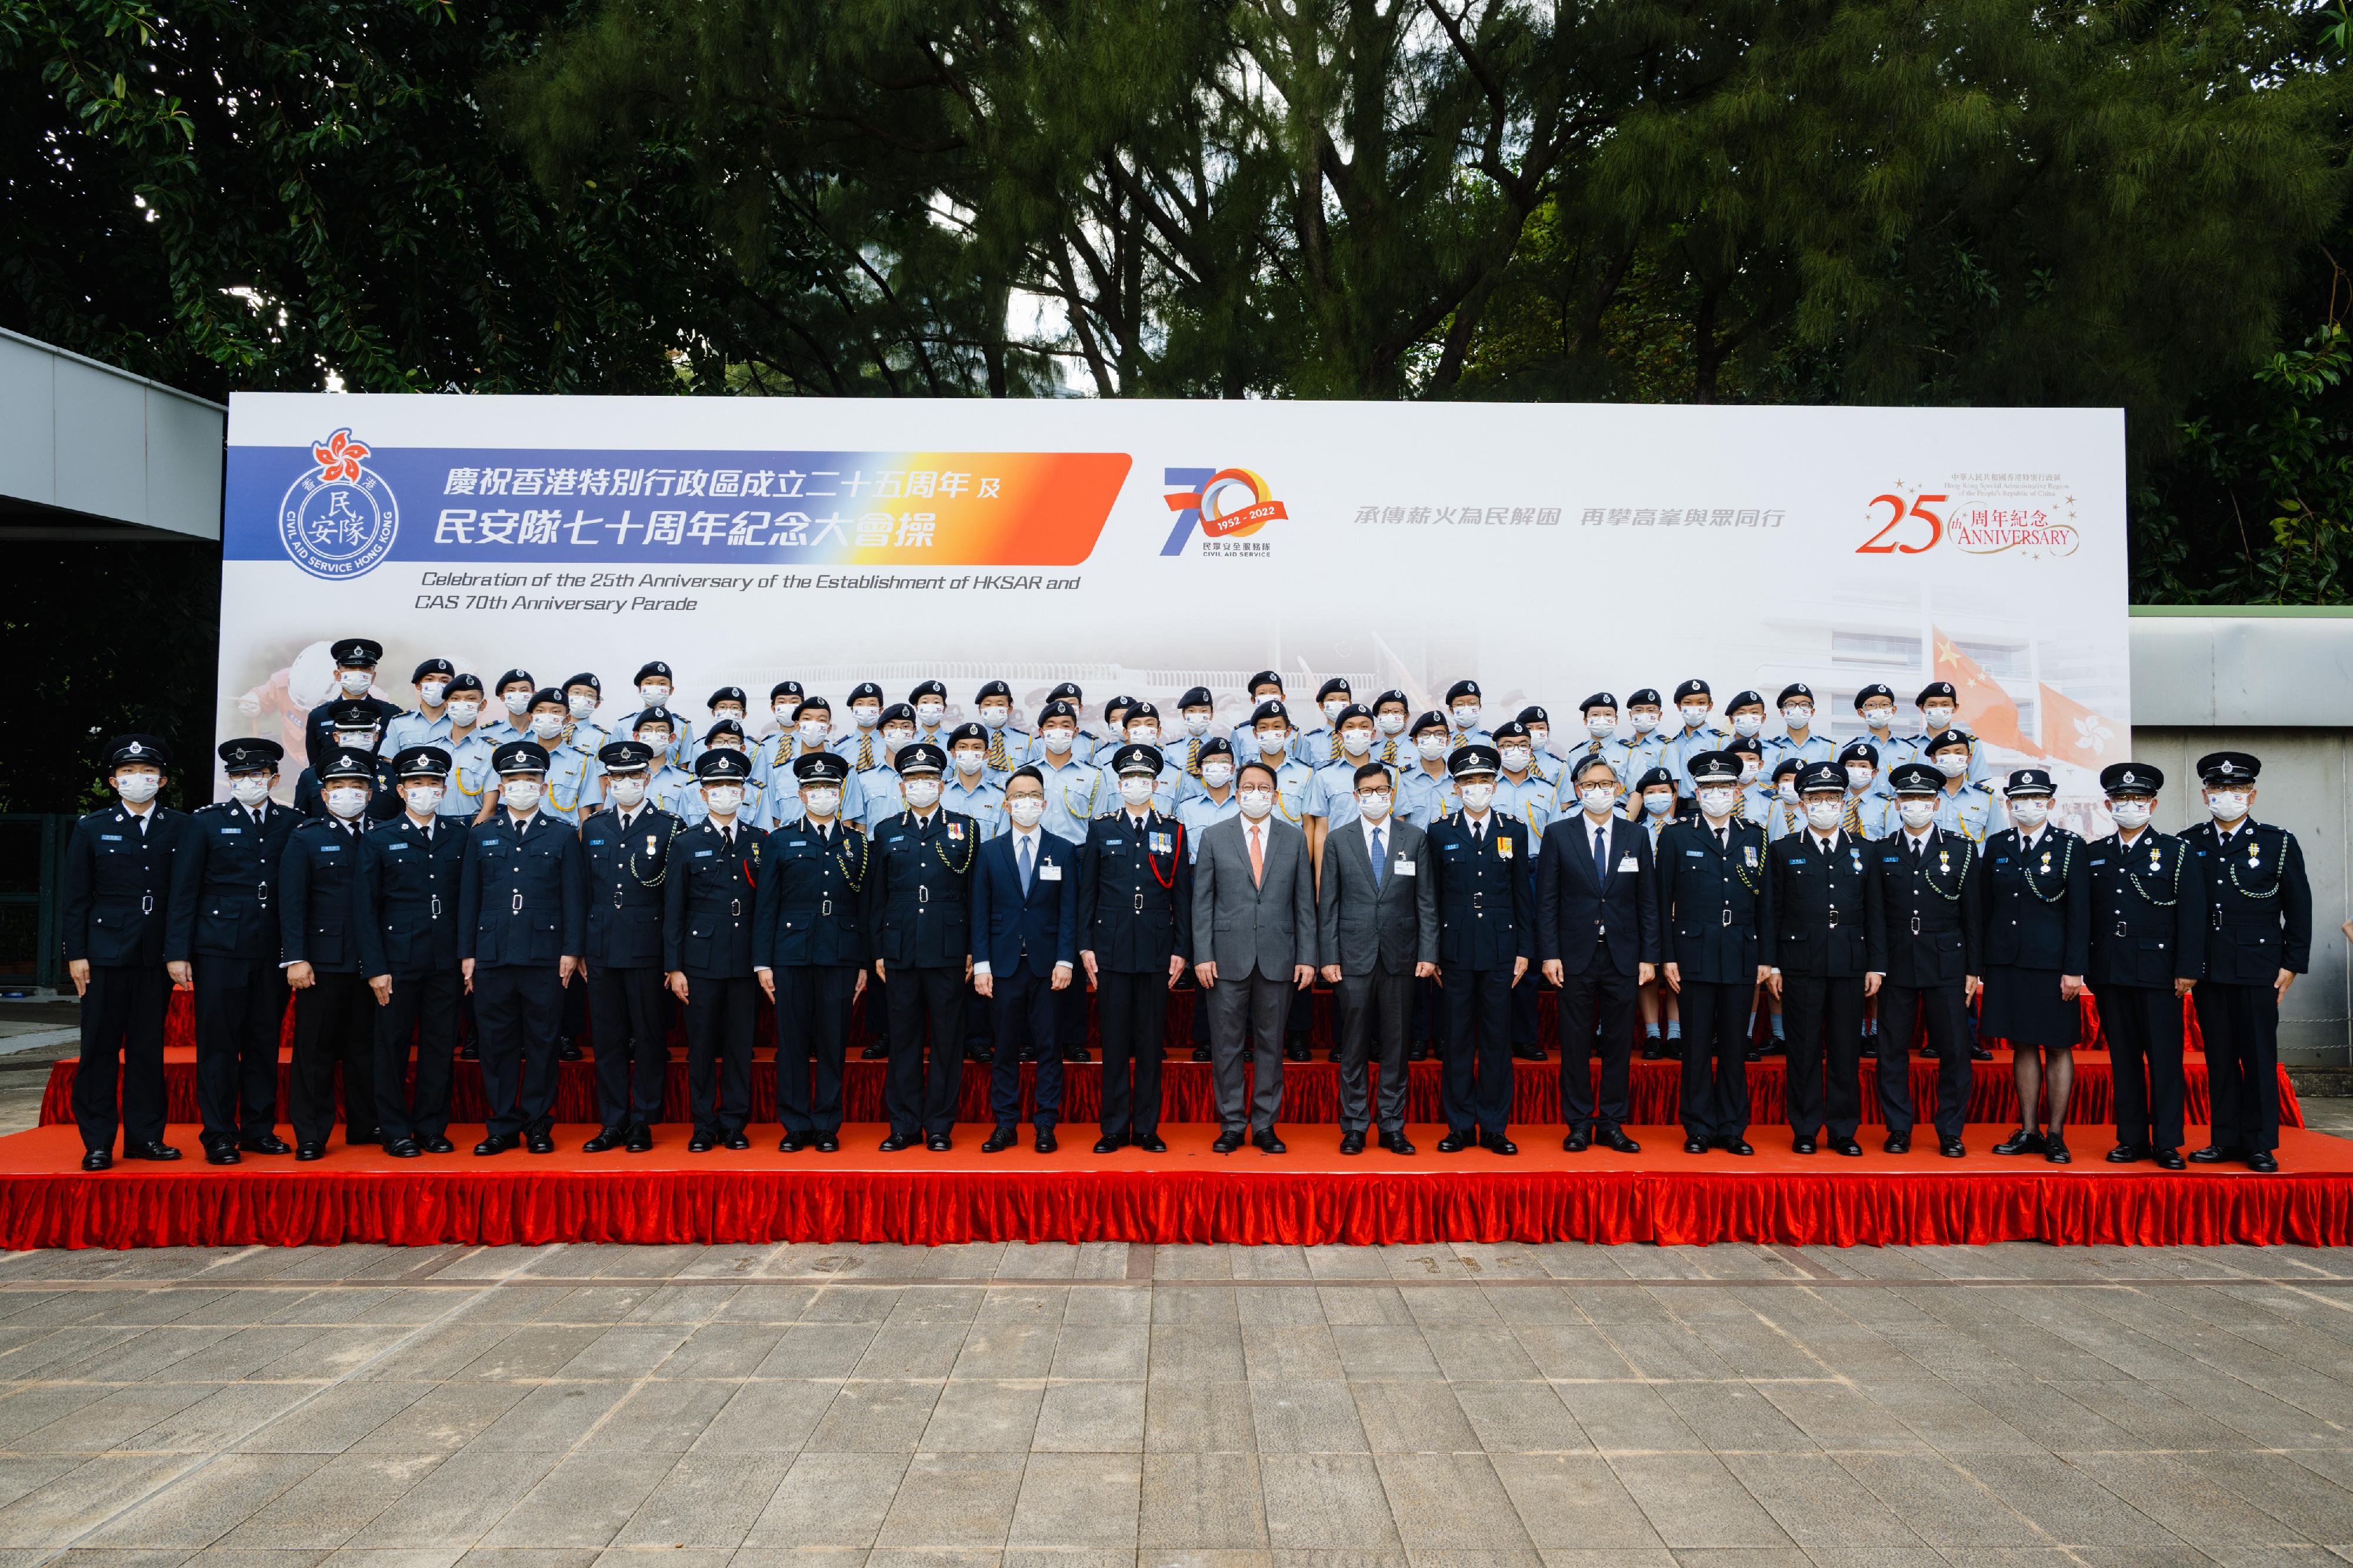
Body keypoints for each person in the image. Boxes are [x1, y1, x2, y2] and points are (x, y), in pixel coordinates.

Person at [165, 737, 299, 1165]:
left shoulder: (293, 822)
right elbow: (184, 891)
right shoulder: (204, 823)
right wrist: (177, 952)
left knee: (263, 1042)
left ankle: (259, 1128)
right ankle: (219, 1133)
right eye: (239, 776)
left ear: (274, 778)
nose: (248, 782)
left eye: (256, 775)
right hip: (218, 947)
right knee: (218, 1044)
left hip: (270, 947)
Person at [2183, 750, 2310, 1172]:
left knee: (2257, 1054)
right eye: (2219, 789)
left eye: (2237, 789)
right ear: (2205, 794)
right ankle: (2223, 1139)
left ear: (2252, 796)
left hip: (2259, 966)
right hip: (2210, 967)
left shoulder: (2277, 842)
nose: (2227, 796)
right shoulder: (2189, 843)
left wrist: (2292, 962)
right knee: (2218, 1056)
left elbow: (2299, 907)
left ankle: (2258, 1143)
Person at [64, 735, 186, 1170]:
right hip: (104, 952)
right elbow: (76, 896)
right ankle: (97, 1140)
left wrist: (178, 951)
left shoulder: (180, 826)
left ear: (163, 780)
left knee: (147, 1049)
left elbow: (185, 894)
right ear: (114, 781)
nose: (140, 780)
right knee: (99, 1047)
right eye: (130, 774)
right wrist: (76, 953)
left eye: (148, 773)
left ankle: (145, 1137)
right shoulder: (92, 826)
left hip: (154, 955)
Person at [458, 740, 585, 1156]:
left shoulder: (563, 835)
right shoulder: (481, 836)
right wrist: (467, 954)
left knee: (543, 1042)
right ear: (501, 784)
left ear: (544, 785)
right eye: (513, 780)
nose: (521, 786)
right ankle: (500, 1125)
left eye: (530, 779)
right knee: (495, 1044)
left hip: (545, 956)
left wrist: (572, 949)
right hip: (492, 954)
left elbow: (573, 897)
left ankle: (538, 1124)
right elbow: (468, 899)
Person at [1191, 758, 1317, 1154]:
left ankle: (1264, 1124)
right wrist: (1202, 955)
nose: (1257, 794)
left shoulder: (1294, 838)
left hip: (1279, 956)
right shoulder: (1214, 836)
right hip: (1226, 958)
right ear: (1237, 791)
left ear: (1276, 795)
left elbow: (1304, 903)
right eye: (1249, 787)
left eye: (1265, 788)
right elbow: (1202, 903)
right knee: (1226, 1045)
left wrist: (1308, 956)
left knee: (1270, 1044)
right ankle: (1231, 1123)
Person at [1537, 753, 1658, 1154]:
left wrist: (1648, 956)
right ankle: (1577, 1123)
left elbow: (1648, 901)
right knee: (1574, 1041)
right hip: (1573, 956)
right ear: (1577, 791)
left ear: (1618, 790)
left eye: (1606, 785)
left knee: (1620, 1042)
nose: (1599, 792)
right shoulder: (1558, 834)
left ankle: (1611, 1122)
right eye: (1590, 786)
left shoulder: (1635, 836)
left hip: (1623, 955)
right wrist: (1549, 953)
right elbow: (1547, 900)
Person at [2086, 763, 2204, 1171]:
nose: (2130, 805)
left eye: (2138, 799)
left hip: (2159, 973)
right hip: (2111, 971)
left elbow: (2192, 915)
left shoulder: (2175, 852)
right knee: (2124, 1059)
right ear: (2108, 805)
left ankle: (2168, 1142)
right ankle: (2131, 1139)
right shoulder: (2095, 854)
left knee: (2165, 1060)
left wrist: (2188, 968)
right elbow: (2087, 917)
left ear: (2153, 804)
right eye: (2122, 799)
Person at [355, 745, 468, 1158]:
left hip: (445, 960)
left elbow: (467, 900)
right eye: (417, 784)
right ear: (401, 790)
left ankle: (431, 1127)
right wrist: (375, 967)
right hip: (396, 961)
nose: (427, 790)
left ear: (443, 789)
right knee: (392, 1047)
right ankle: (395, 1129)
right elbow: (365, 908)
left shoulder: (460, 835)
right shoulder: (380, 838)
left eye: (434, 784)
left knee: (440, 1047)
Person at [1079, 746, 1194, 1152]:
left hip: (1156, 951)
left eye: (1145, 779)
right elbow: (1087, 893)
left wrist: (1182, 947)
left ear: (1156, 785)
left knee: (1149, 1045)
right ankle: (1113, 1128)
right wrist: (1084, 946)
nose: (1137, 785)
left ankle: (1146, 1128)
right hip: (1110, 949)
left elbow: (1183, 896)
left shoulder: (1173, 831)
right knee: (1113, 1043)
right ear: (1119, 784)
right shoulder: (1101, 829)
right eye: (1130, 779)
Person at [1657, 750, 1771, 1156]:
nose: (1717, 794)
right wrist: (1667, 957)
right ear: (1696, 791)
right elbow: (1661, 901)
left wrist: (1765, 958)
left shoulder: (1755, 835)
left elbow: (1766, 903)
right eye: (1709, 788)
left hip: (1741, 954)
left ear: (1738, 791)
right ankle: (1699, 1126)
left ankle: (1732, 1127)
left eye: (1724, 787)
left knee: (1735, 1048)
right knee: (1697, 1045)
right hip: (1693, 955)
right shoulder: (1676, 836)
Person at [1316, 763, 1435, 1154]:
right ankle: (1353, 1125)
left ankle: (1392, 1124)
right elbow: (1328, 903)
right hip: (1352, 958)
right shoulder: (1337, 839)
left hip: (1401, 956)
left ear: (1391, 794)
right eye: (1366, 791)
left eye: (1381, 790)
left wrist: (1429, 952)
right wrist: (1328, 956)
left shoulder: (1415, 838)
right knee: (1352, 1045)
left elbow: (1426, 902)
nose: (1374, 797)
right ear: (1355, 797)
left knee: (1397, 1046)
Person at [754, 752, 870, 1153]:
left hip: (840, 954)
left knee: (833, 1042)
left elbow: (864, 908)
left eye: (831, 789)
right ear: (802, 794)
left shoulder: (858, 844)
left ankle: (826, 1123)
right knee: (792, 1043)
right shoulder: (781, 841)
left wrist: (862, 963)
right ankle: (795, 1123)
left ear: (840, 794)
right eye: (815, 788)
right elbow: (767, 905)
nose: (824, 794)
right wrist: (762, 962)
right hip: (790, 954)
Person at [1759, 762, 1876, 1156]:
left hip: (1849, 960)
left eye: (1831, 798)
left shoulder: (1864, 849)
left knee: (1846, 1048)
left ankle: (1843, 1130)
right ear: (1802, 805)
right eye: (1815, 799)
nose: (1824, 805)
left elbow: (1875, 912)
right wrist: (1773, 964)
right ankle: (1805, 1127)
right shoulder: (1783, 850)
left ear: (1844, 802)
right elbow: (1772, 912)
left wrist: (1875, 964)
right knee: (1803, 1048)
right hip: (1799, 961)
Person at [1865, 762, 1981, 1157]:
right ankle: (1899, 1128)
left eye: (1923, 799)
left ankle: (1950, 1130)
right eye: (1907, 798)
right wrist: (1876, 964)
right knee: (1891, 1049)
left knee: (1954, 1049)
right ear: (1897, 803)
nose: (1915, 805)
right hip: (1897, 963)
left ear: (1936, 803)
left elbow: (1973, 915)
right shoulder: (1881, 851)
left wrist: (1973, 969)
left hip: (1947, 962)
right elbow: (1875, 915)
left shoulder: (1962, 850)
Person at [866, 742, 978, 1151]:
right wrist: (877, 950)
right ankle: (904, 1125)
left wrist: (973, 950)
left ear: (942, 784)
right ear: (901, 787)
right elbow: (878, 897)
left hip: (950, 950)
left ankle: (940, 1126)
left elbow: (974, 895)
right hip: (900, 950)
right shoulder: (887, 830)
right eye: (913, 780)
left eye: (929, 779)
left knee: (948, 1042)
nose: (921, 786)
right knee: (904, 1040)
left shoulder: (965, 828)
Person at [1980, 769, 2092, 1164]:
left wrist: (2075, 969)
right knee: (2022, 1044)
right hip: (2008, 961)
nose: (2028, 805)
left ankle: (2056, 1134)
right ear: (2010, 804)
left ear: (2050, 803)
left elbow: (2081, 912)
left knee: (2058, 1047)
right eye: (2020, 799)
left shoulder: (2069, 845)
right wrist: (1981, 964)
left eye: (2037, 798)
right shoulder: (1997, 845)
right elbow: (1984, 907)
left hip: (2052, 965)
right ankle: (2029, 1130)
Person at [1423, 744, 1529, 1155]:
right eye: (1468, 781)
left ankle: (1495, 1126)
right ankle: (1460, 1126)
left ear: (1495, 784)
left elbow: (1523, 896)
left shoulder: (1513, 830)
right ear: (1456, 787)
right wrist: (1431, 951)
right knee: (1457, 1040)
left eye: (1483, 780)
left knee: (1497, 1041)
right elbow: (1429, 898)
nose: (1476, 787)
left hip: (1502, 949)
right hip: (1454, 950)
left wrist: (1524, 950)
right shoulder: (1440, 832)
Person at [278, 746, 382, 1159]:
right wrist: (295, 957)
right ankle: (311, 1133)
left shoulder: (384, 833)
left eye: (357, 786)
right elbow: (292, 902)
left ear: (370, 793)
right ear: (324, 794)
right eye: (338, 786)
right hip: (321, 963)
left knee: (366, 1049)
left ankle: (365, 1123)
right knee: (315, 1050)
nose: (348, 793)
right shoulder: (306, 837)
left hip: (371, 962)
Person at [577, 740, 681, 1153]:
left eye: (633, 776)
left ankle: (643, 1120)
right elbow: (583, 891)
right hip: (602, 946)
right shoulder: (594, 827)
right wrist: (581, 948)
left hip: (646, 946)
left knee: (649, 1036)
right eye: (617, 777)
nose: (625, 783)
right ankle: (614, 1120)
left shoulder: (669, 826)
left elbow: (674, 899)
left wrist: (672, 957)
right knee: (608, 1038)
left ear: (647, 778)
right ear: (607, 781)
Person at [971, 764, 1081, 1152]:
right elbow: (980, 913)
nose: (1027, 803)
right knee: (1004, 1049)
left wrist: (1066, 960)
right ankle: (1005, 1124)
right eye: (1019, 797)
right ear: (1006, 804)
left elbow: (1070, 912)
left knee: (1050, 1047)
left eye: (1034, 796)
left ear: (1045, 802)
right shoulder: (989, 852)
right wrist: (981, 965)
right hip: (1002, 968)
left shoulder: (1064, 851)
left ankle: (1046, 1124)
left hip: (1048, 966)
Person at [664, 749, 765, 1152]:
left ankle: (734, 1123)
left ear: (744, 793)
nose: (726, 793)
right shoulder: (687, 843)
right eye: (717, 787)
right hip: (700, 962)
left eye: (733, 787)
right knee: (702, 1047)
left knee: (740, 1047)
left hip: (744, 961)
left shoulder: (759, 842)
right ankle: (704, 1125)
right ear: (703, 795)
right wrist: (674, 967)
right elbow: (673, 909)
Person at [1174, 736, 1240, 1065]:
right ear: (1200, 770)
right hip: (1198, 883)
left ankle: (1243, 1039)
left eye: (1224, 761)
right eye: (1210, 762)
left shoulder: (1244, 804)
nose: (1218, 767)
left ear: (1233, 768)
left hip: (1240, 887)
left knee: (1241, 962)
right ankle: (1206, 1039)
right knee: (1205, 961)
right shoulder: (1186, 808)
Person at [1629, 766, 1682, 1059]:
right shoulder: (1632, 831)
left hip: (1678, 911)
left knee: (1675, 972)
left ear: (1674, 796)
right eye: (1650, 793)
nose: (1657, 797)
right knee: (1647, 971)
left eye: (1664, 792)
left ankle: (1675, 1034)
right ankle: (1653, 1034)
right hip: (1642, 911)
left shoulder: (1687, 830)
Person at [294, 699, 402, 823]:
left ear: (376, 735)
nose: (356, 737)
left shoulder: (393, 775)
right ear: (336, 736)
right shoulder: (310, 776)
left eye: (364, 731)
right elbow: (301, 824)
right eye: (348, 732)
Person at [302, 637, 399, 773]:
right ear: (337, 675)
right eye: (350, 667)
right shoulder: (319, 716)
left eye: (365, 668)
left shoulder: (392, 715)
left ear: (373, 676)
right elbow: (315, 766)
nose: (358, 673)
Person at [1662, 679, 1729, 808]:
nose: (1694, 707)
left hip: (1708, 808)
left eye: (1701, 703)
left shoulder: (1720, 741)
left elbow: (1728, 782)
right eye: (1688, 703)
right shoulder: (1673, 743)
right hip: (1677, 808)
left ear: (1710, 706)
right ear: (1679, 706)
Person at [441, 675, 498, 823]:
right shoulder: (432, 749)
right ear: (447, 705)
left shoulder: (493, 750)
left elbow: (490, 808)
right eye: (455, 699)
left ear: (483, 705)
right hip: (436, 827)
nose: (462, 704)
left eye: (470, 699)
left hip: (474, 825)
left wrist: (474, 837)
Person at [383, 658, 459, 754]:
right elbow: (388, 763)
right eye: (430, 680)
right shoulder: (399, 723)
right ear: (418, 685)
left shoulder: (460, 724)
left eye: (444, 681)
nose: (437, 685)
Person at [624, 661, 694, 761]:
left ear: (671, 690)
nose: (655, 688)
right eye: (649, 683)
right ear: (640, 689)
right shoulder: (623, 726)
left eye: (662, 684)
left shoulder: (683, 726)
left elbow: (684, 767)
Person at [1762, 682, 1836, 775]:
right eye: (1791, 704)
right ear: (1782, 712)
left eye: (1804, 704)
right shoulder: (1770, 748)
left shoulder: (1830, 749)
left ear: (1812, 712)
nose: (1797, 709)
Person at [974, 679, 1030, 776]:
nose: (994, 709)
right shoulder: (971, 742)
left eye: (1000, 705)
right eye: (988, 704)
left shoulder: (1025, 741)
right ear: (980, 710)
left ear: (1009, 709)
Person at [1299, 678, 1354, 768]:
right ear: (1322, 706)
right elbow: (1305, 775)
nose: (1337, 704)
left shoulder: (1359, 737)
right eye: (1331, 700)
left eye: (1343, 700)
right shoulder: (1311, 741)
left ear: (1350, 705)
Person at [481, 668, 539, 748]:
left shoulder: (545, 732)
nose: (518, 695)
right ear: (502, 697)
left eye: (524, 690)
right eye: (511, 691)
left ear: (534, 695)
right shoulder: (487, 733)